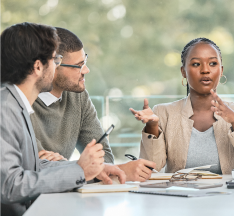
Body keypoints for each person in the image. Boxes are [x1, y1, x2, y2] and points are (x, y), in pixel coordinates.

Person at [0, 22, 125, 216]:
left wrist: (88, 169)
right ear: (38, 67)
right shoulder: (5, 108)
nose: (56, 66)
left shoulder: (16, 103)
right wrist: (78, 171)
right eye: (55, 60)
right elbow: (9, 186)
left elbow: (32, 167)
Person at [30, 27, 156, 182]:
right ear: (54, 65)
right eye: (79, 65)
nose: (86, 70)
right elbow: (35, 166)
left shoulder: (78, 96)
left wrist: (67, 166)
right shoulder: (21, 101)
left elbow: (105, 157)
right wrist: (85, 167)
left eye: (85, 61)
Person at [130, 38, 234, 174]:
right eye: (196, 64)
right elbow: (150, 170)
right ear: (183, 72)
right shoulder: (163, 112)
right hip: (178, 193)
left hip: (227, 194)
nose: (205, 70)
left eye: (212, 63)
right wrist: (152, 127)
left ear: (221, 71)